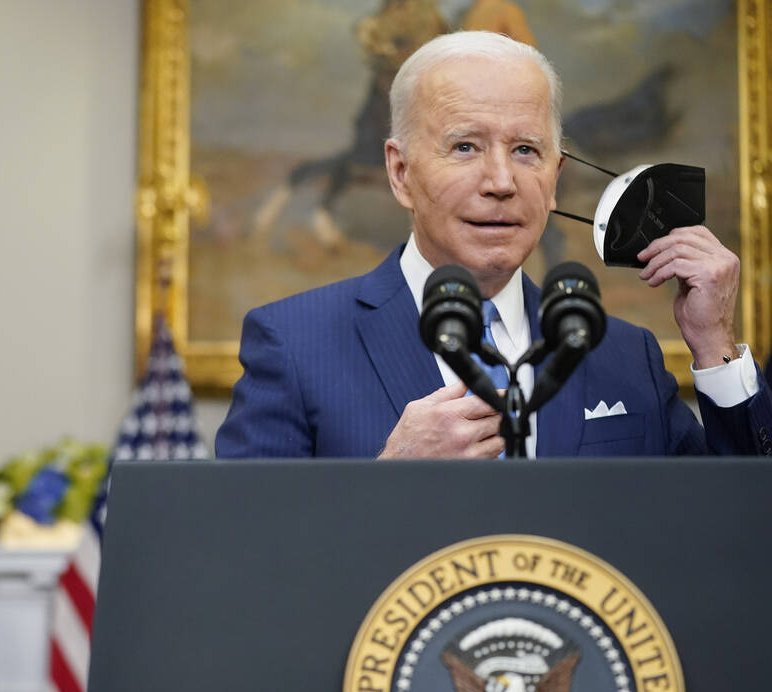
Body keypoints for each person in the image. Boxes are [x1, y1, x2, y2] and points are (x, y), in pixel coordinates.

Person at [216, 31, 772, 459]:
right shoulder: (293, 344)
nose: (501, 181)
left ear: (554, 178)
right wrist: (387, 476)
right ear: (401, 172)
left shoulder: (628, 358)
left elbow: (732, 536)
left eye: (526, 150)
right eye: (465, 146)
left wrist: (714, 344)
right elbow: (247, 562)